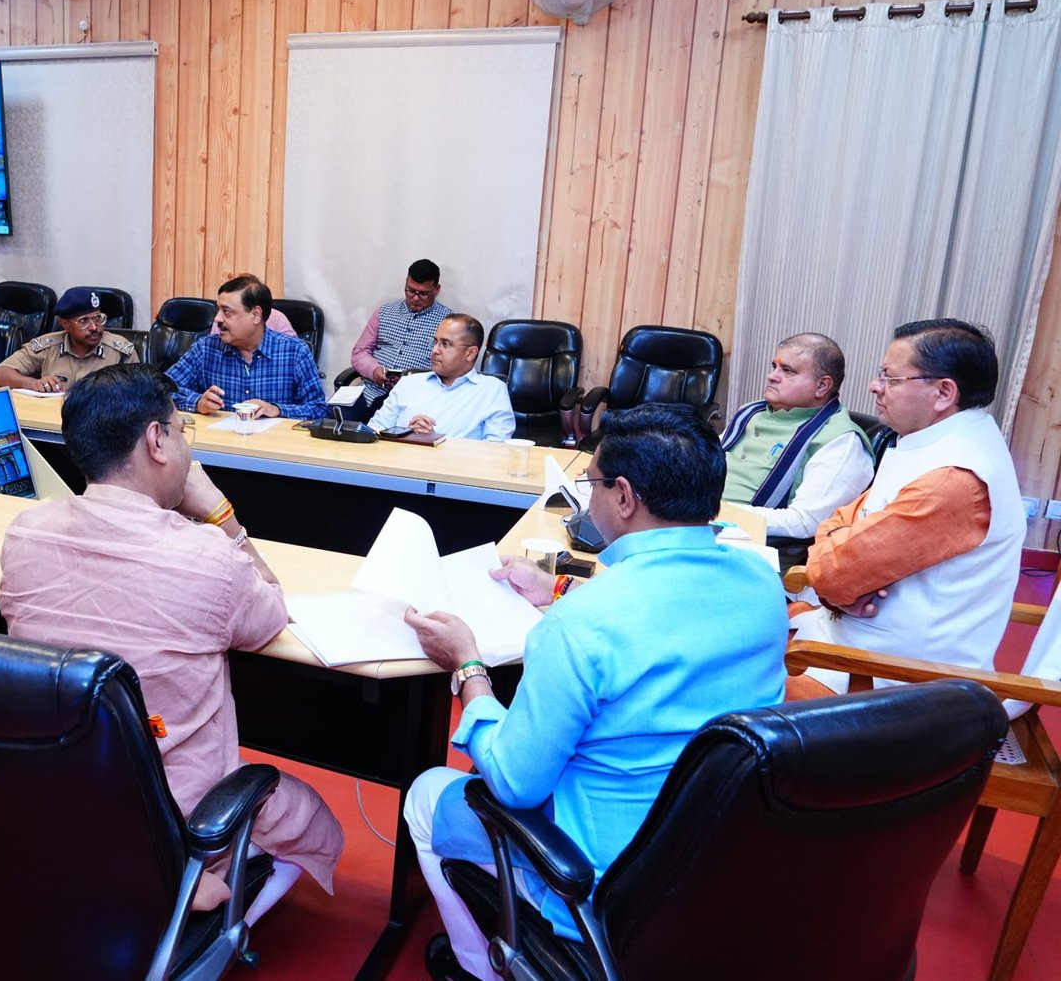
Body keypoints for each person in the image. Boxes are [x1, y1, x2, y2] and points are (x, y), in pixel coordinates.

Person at [402, 404, 788, 980]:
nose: (589, 499)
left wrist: (468, 666)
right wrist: (557, 587)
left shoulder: (580, 627)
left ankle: (485, 969)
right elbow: (664, 612)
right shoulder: (761, 584)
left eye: (593, 484)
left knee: (427, 794)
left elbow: (513, 785)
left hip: (606, 886)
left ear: (624, 496)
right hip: (717, 855)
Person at [0, 364, 343, 922]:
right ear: (156, 441)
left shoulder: (24, 532)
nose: (187, 447)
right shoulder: (205, 555)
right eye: (183, 430)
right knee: (311, 815)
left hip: (59, 794)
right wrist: (221, 514)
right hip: (172, 819)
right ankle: (208, 917)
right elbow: (272, 610)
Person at [789, 319, 1024, 696]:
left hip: (890, 679)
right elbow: (840, 521)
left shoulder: (956, 477)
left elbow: (832, 573)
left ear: (943, 392)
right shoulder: (932, 441)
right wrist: (838, 577)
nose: (875, 386)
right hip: (850, 642)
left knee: (720, 683)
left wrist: (836, 580)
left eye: (890, 377)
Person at [720, 332, 873, 539]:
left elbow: (804, 522)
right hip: (694, 521)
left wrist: (713, 513)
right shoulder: (751, 412)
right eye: (774, 367)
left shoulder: (841, 442)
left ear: (822, 386)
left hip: (747, 542)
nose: (772, 376)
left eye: (787, 371)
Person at [166, 275, 327, 420]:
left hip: (273, 442)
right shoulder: (205, 349)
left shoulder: (295, 352)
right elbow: (161, 390)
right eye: (218, 310)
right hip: (219, 441)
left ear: (256, 315)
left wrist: (277, 409)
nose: (217, 319)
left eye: (227, 312)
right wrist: (197, 402)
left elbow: (319, 409)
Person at [368, 314, 514, 441]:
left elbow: (496, 450)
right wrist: (404, 434)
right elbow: (373, 432)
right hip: (398, 461)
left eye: (445, 344)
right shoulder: (409, 382)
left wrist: (435, 441)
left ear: (470, 353)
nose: (435, 351)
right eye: (435, 342)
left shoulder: (492, 390)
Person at [345, 259, 452, 422]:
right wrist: (374, 371)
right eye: (410, 291)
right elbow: (360, 352)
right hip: (371, 390)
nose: (415, 298)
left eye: (423, 294)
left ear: (437, 290)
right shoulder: (385, 312)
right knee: (334, 420)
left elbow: (450, 366)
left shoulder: (448, 323)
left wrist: (412, 379)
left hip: (416, 397)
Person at [0, 286, 138, 392]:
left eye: (98, 318)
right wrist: (34, 383)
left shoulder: (121, 352)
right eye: (83, 321)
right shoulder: (47, 346)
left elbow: (141, 395)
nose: (94, 327)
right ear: (65, 324)